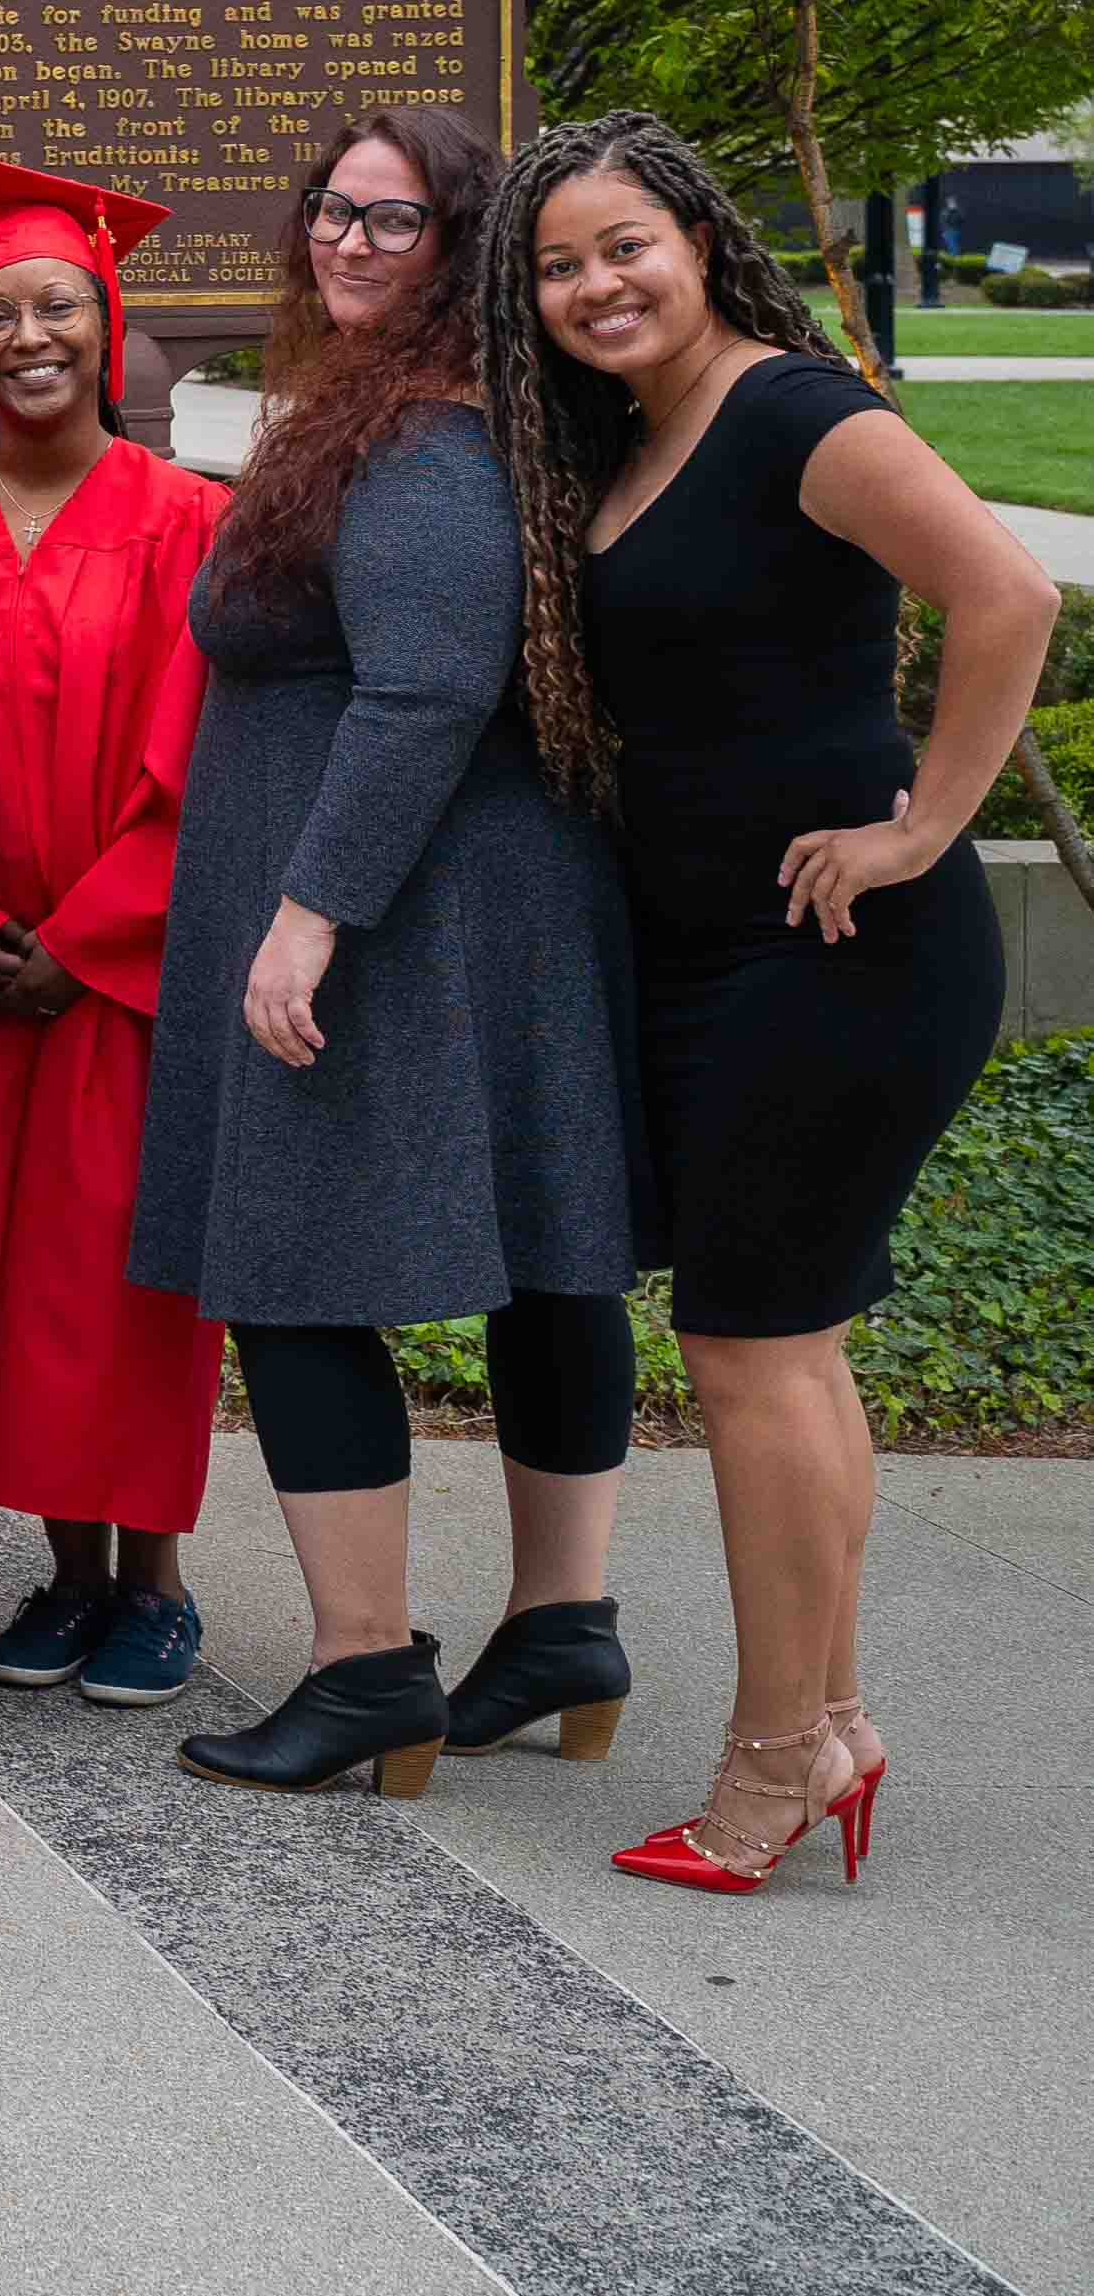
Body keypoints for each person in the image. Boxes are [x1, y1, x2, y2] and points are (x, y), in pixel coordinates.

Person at [484, 112, 1048, 1890]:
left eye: (617, 246)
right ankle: (829, 1721)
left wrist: (919, 825)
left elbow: (1004, 588)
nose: (590, 285)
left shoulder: (792, 411)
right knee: (777, 1350)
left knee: (746, 1350)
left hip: (836, 953)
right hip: (717, 953)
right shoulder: (636, 436)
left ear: (697, 238)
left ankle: (767, 1761)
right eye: (554, 267)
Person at [139, 103, 643, 1800]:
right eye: (328, 211)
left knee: (285, 1266)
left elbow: (420, 687)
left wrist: (304, 912)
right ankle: (561, 1620)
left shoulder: (424, 439)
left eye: (394, 218)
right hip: (481, 908)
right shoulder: (423, 414)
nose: (348, 242)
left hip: (397, 913)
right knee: (543, 1252)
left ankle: (364, 1665)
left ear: (458, 246)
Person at [0, 162, 225, 1707]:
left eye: (58, 306)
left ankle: (152, 1583)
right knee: (0, 1278)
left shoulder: (186, 523)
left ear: (109, 323)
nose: (28, 334)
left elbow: (203, 758)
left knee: (117, 1275)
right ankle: (66, 1573)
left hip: (115, 974)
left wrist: (78, 941)